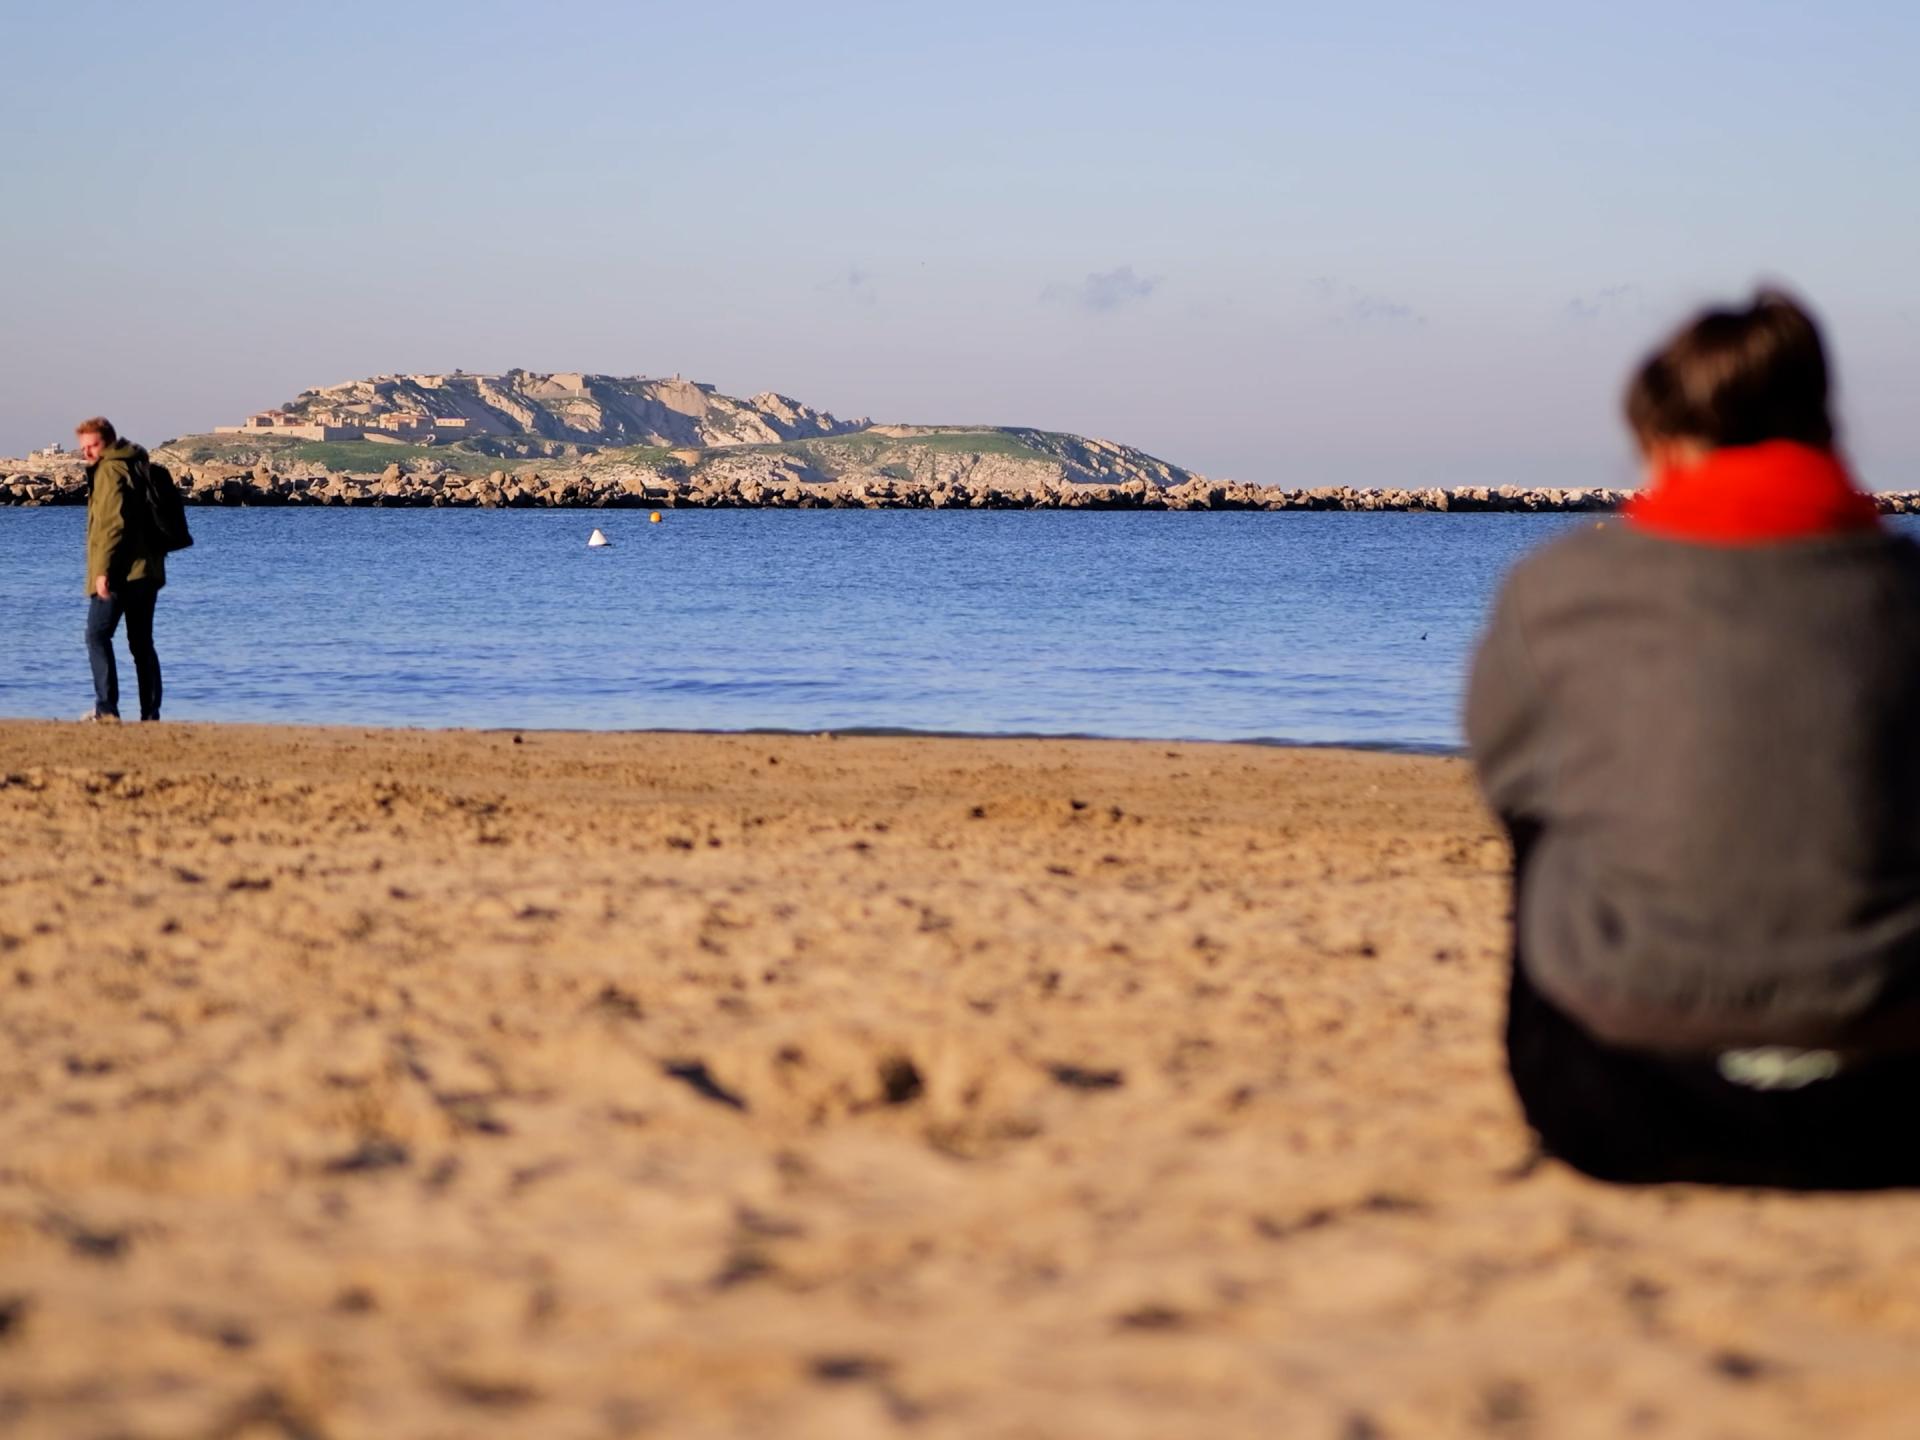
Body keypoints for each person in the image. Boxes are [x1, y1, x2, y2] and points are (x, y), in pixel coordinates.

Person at [1467, 289, 1920, 1187]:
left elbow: (1508, 777)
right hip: (1892, 1102)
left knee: (1545, 815)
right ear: (1823, 429)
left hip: (1619, 1097)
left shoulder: (1560, 590)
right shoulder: (1905, 589)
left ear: (1661, 442)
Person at [78, 416, 166, 723]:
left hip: (119, 574)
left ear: (108, 442)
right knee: (141, 643)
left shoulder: (110, 470)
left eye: (93, 445)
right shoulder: (137, 465)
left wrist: (102, 571)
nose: (88, 453)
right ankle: (150, 712)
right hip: (148, 571)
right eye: (84, 447)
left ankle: (106, 707)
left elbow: (110, 525)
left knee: (96, 636)